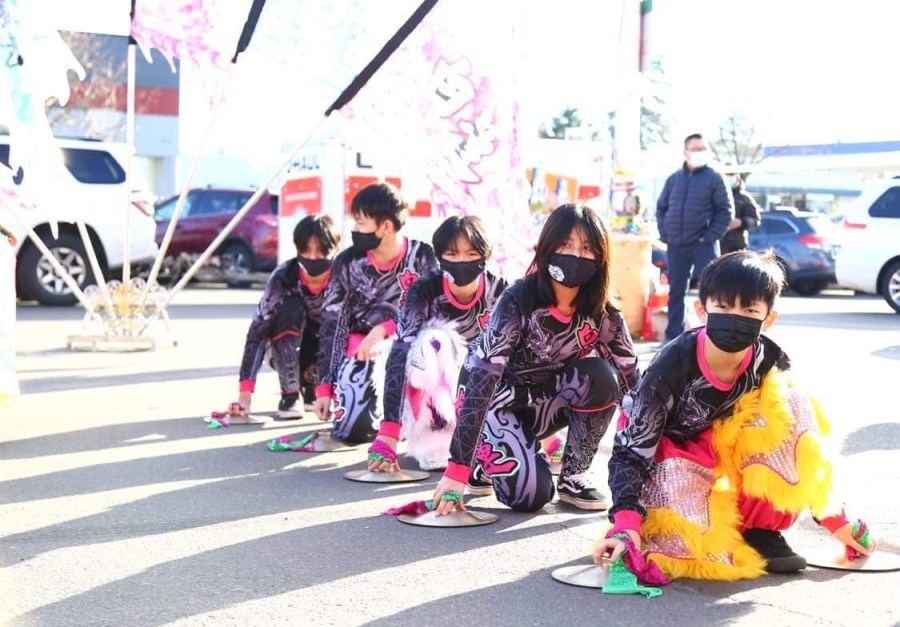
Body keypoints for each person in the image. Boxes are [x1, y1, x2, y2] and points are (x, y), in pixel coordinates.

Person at [595, 250, 874, 580]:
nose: (735, 317)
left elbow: (802, 446)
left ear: (768, 319)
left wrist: (832, 517)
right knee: (687, 544)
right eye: (724, 307)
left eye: (750, 309)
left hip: (722, 447)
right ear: (702, 310)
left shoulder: (767, 360)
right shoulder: (672, 365)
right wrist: (626, 525)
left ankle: (760, 529)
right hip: (667, 452)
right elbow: (631, 447)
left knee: (794, 403)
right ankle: (689, 524)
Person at [430, 203, 639, 513]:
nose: (576, 255)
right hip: (494, 401)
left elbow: (634, 381)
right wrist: (456, 470)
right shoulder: (518, 299)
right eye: (566, 245)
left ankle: (574, 475)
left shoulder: (602, 312)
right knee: (532, 497)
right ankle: (480, 457)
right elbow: (482, 381)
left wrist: (657, 462)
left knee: (602, 377)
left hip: (542, 405)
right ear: (546, 248)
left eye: (586, 248)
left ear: (600, 256)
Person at [367, 215, 508, 472]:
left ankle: (492, 436)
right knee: (435, 341)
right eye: (452, 254)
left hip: (479, 384)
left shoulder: (501, 291)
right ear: (440, 256)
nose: (461, 262)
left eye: (471, 253)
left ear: (485, 255)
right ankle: (434, 438)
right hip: (428, 383)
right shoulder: (424, 289)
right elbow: (401, 350)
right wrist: (388, 431)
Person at [313, 182, 438, 443]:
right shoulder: (347, 263)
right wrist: (325, 387)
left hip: (411, 347)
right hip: (360, 349)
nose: (355, 230)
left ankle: (420, 419)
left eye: (361, 223)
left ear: (386, 227)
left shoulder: (422, 256)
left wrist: (384, 330)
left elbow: (432, 310)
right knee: (353, 432)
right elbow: (331, 325)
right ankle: (361, 410)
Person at [232, 215, 340, 420]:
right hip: (286, 348)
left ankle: (316, 389)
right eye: (306, 251)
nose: (313, 258)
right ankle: (290, 395)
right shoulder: (284, 276)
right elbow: (258, 330)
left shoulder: (344, 275)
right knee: (290, 308)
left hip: (327, 349)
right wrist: (245, 395)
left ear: (335, 250)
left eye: (321, 251)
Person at [656, 133, 734, 343]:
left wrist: (708, 237)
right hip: (676, 245)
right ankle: (673, 338)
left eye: (703, 148)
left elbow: (726, 212)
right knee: (676, 293)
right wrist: (665, 233)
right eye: (695, 148)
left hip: (703, 245)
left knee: (712, 292)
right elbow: (661, 208)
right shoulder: (674, 179)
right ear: (685, 152)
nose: (699, 153)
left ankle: (714, 337)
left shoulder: (715, 178)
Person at [720, 171, 761, 254]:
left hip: (737, 247)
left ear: (737, 177)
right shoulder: (714, 195)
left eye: (731, 175)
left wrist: (741, 222)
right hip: (716, 245)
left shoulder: (744, 198)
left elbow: (755, 220)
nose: (728, 178)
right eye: (726, 175)